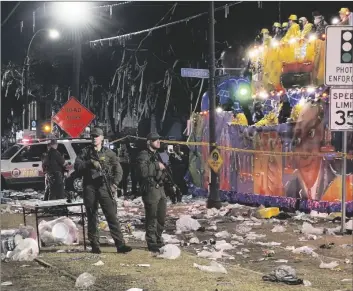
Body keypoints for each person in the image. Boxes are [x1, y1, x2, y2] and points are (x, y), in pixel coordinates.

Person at [74, 127, 132, 254]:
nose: (94, 138)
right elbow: (77, 166)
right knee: (92, 215)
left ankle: (120, 244)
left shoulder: (109, 153)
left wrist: (115, 184)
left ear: (102, 138)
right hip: (90, 186)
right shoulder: (85, 152)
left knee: (111, 215)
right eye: (93, 136)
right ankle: (95, 244)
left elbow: (118, 169)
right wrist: (90, 163)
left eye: (97, 136)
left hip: (104, 186)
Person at [136, 132, 167, 252]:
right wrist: (157, 166)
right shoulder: (143, 155)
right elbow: (143, 172)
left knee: (161, 217)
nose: (158, 142)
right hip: (150, 189)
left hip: (160, 188)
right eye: (155, 140)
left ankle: (158, 238)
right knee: (152, 217)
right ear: (149, 142)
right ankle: (151, 241)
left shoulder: (158, 155)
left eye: (159, 139)